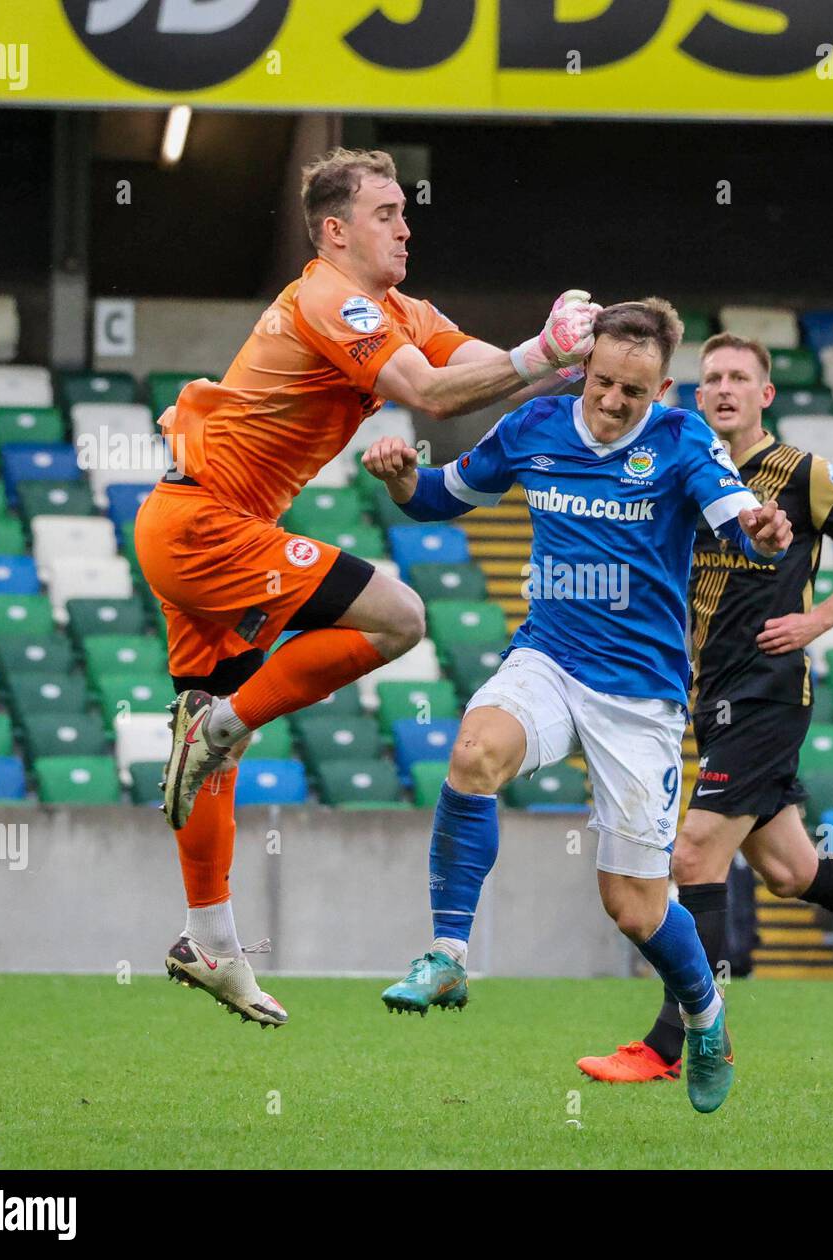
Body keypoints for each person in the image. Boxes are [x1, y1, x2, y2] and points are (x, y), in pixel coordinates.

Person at [135, 146, 596, 1028]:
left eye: (405, 211)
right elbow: (428, 390)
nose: (406, 225)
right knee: (399, 618)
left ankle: (210, 943)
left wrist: (569, 354)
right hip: (206, 530)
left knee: (213, 761)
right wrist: (543, 355)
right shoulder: (327, 298)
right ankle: (223, 723)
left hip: (201, 528)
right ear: (337, 230)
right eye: (387, 213)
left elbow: (477, 366)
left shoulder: (398, 309)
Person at [362, 300, 792, 1113]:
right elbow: (441, 499)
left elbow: (734, 515)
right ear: (582, 370)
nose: (613, 403)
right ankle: (449, 952)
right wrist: (401, 478)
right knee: (474, 751)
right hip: (549, 660)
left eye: (634, 391)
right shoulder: (535, 428)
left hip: (640, 698)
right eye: (602, 383)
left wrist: (761, 531)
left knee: (632, 906)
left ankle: (706, 1015)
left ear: (661, 387)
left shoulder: (680, 440)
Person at [575, 332, 833, 1085]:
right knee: (794, 871)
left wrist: (816, 621)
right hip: (710, 691)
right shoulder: (688, 469)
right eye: (712, 379)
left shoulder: (803, 473)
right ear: (696, 396)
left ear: (765, 395)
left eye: (740, 377)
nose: (724, 388)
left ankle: (680, 1042)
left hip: (767, 687)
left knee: (693, 854)